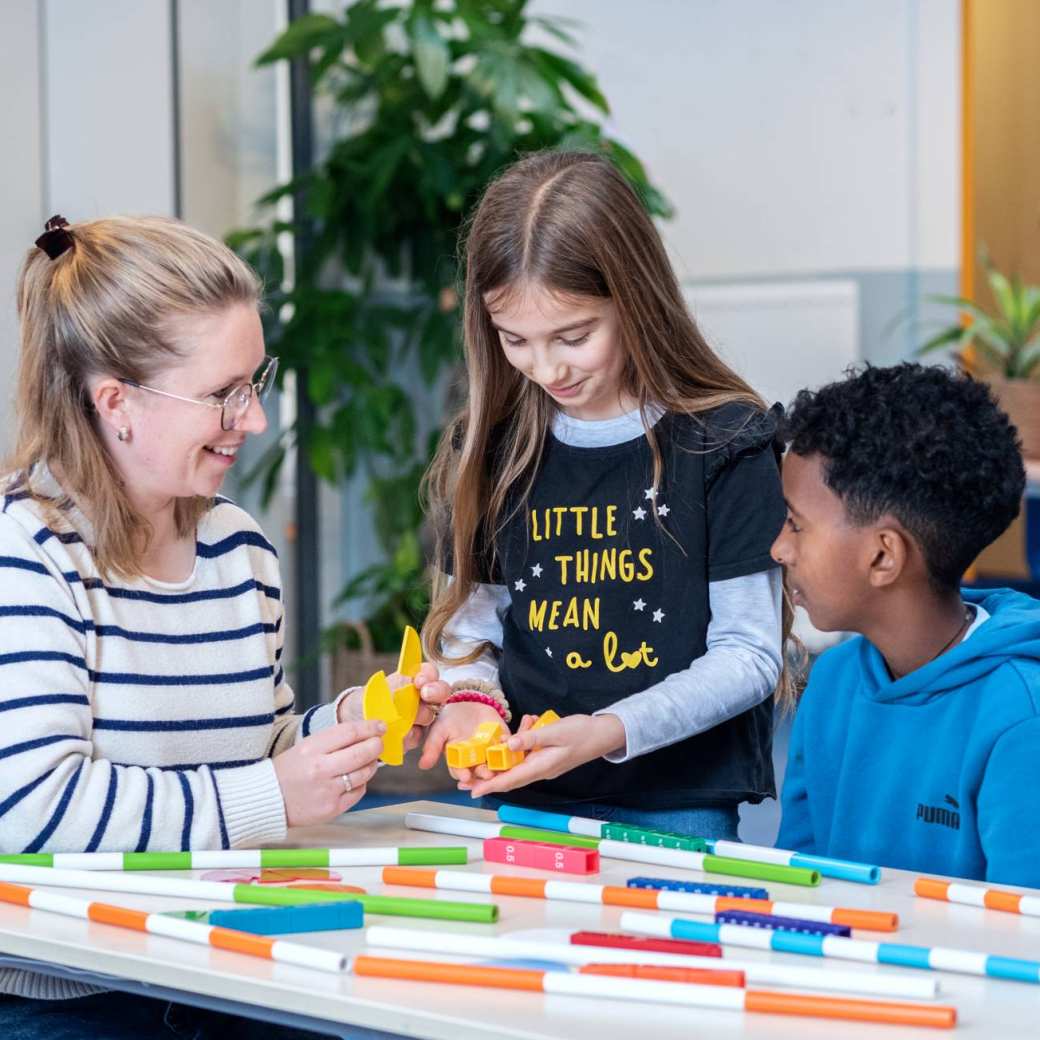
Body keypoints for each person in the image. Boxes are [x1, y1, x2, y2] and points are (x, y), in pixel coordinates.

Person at [0, 215, 448, 1031]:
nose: (257, 420)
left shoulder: (239, 547)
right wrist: (274, 793)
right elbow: (33, 811)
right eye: (223, 394)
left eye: (256, 381)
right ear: (116, 403)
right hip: (80, 998)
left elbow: (254, 752)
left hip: (227, 970)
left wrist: (348, 726)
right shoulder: (26, 551)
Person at [417, 151, 790, 840]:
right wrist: (470, 700)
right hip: (525, 798)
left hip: (677, 803)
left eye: (574, 336)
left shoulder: (726, 441)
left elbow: (749, 654)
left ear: (635, 299)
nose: (546, 367)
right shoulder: (488, 449)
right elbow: (468, 632)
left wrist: (609, 731)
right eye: (514, 340)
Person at [773, 362, 1040, 885]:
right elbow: (799, 885)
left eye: (796, 524)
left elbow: (1027, 940)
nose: (779, 548)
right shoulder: (832, 682)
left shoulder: (1021, 722)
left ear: (883, 557)